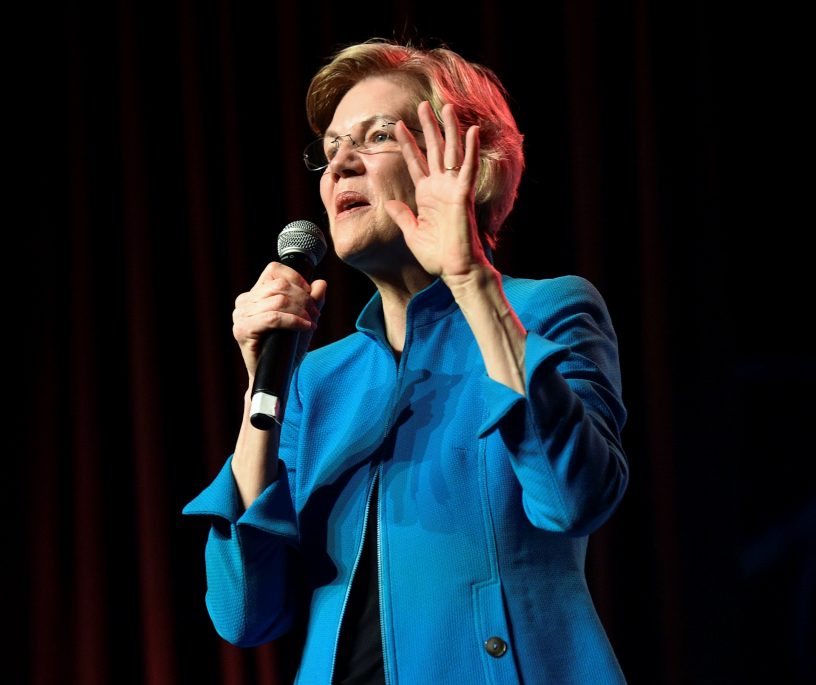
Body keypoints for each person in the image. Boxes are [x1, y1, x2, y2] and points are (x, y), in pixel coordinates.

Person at [184, 39, 628, 685]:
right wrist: (262, 385)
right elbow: (245, 613)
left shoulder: (547, 310)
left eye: (376, 136)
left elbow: (574, 498)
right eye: (331, 148)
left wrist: (470, 279)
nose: (340, 165)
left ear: (464, 161)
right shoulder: (318, 381)